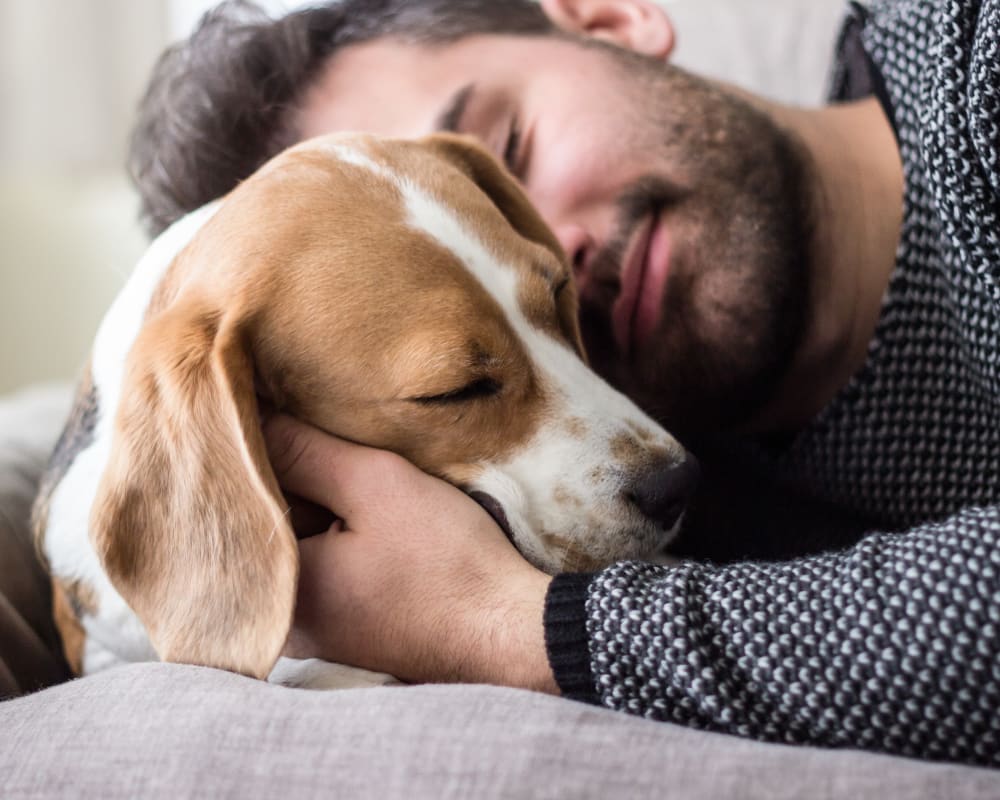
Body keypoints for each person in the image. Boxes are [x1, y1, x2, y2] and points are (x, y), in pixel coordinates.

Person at [128, 0, 1000, 766]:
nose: (548, 250)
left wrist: (522, 630)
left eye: (506, 150)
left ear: (606, 14)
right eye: (452, 380)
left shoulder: (977, 63)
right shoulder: (681, 501)